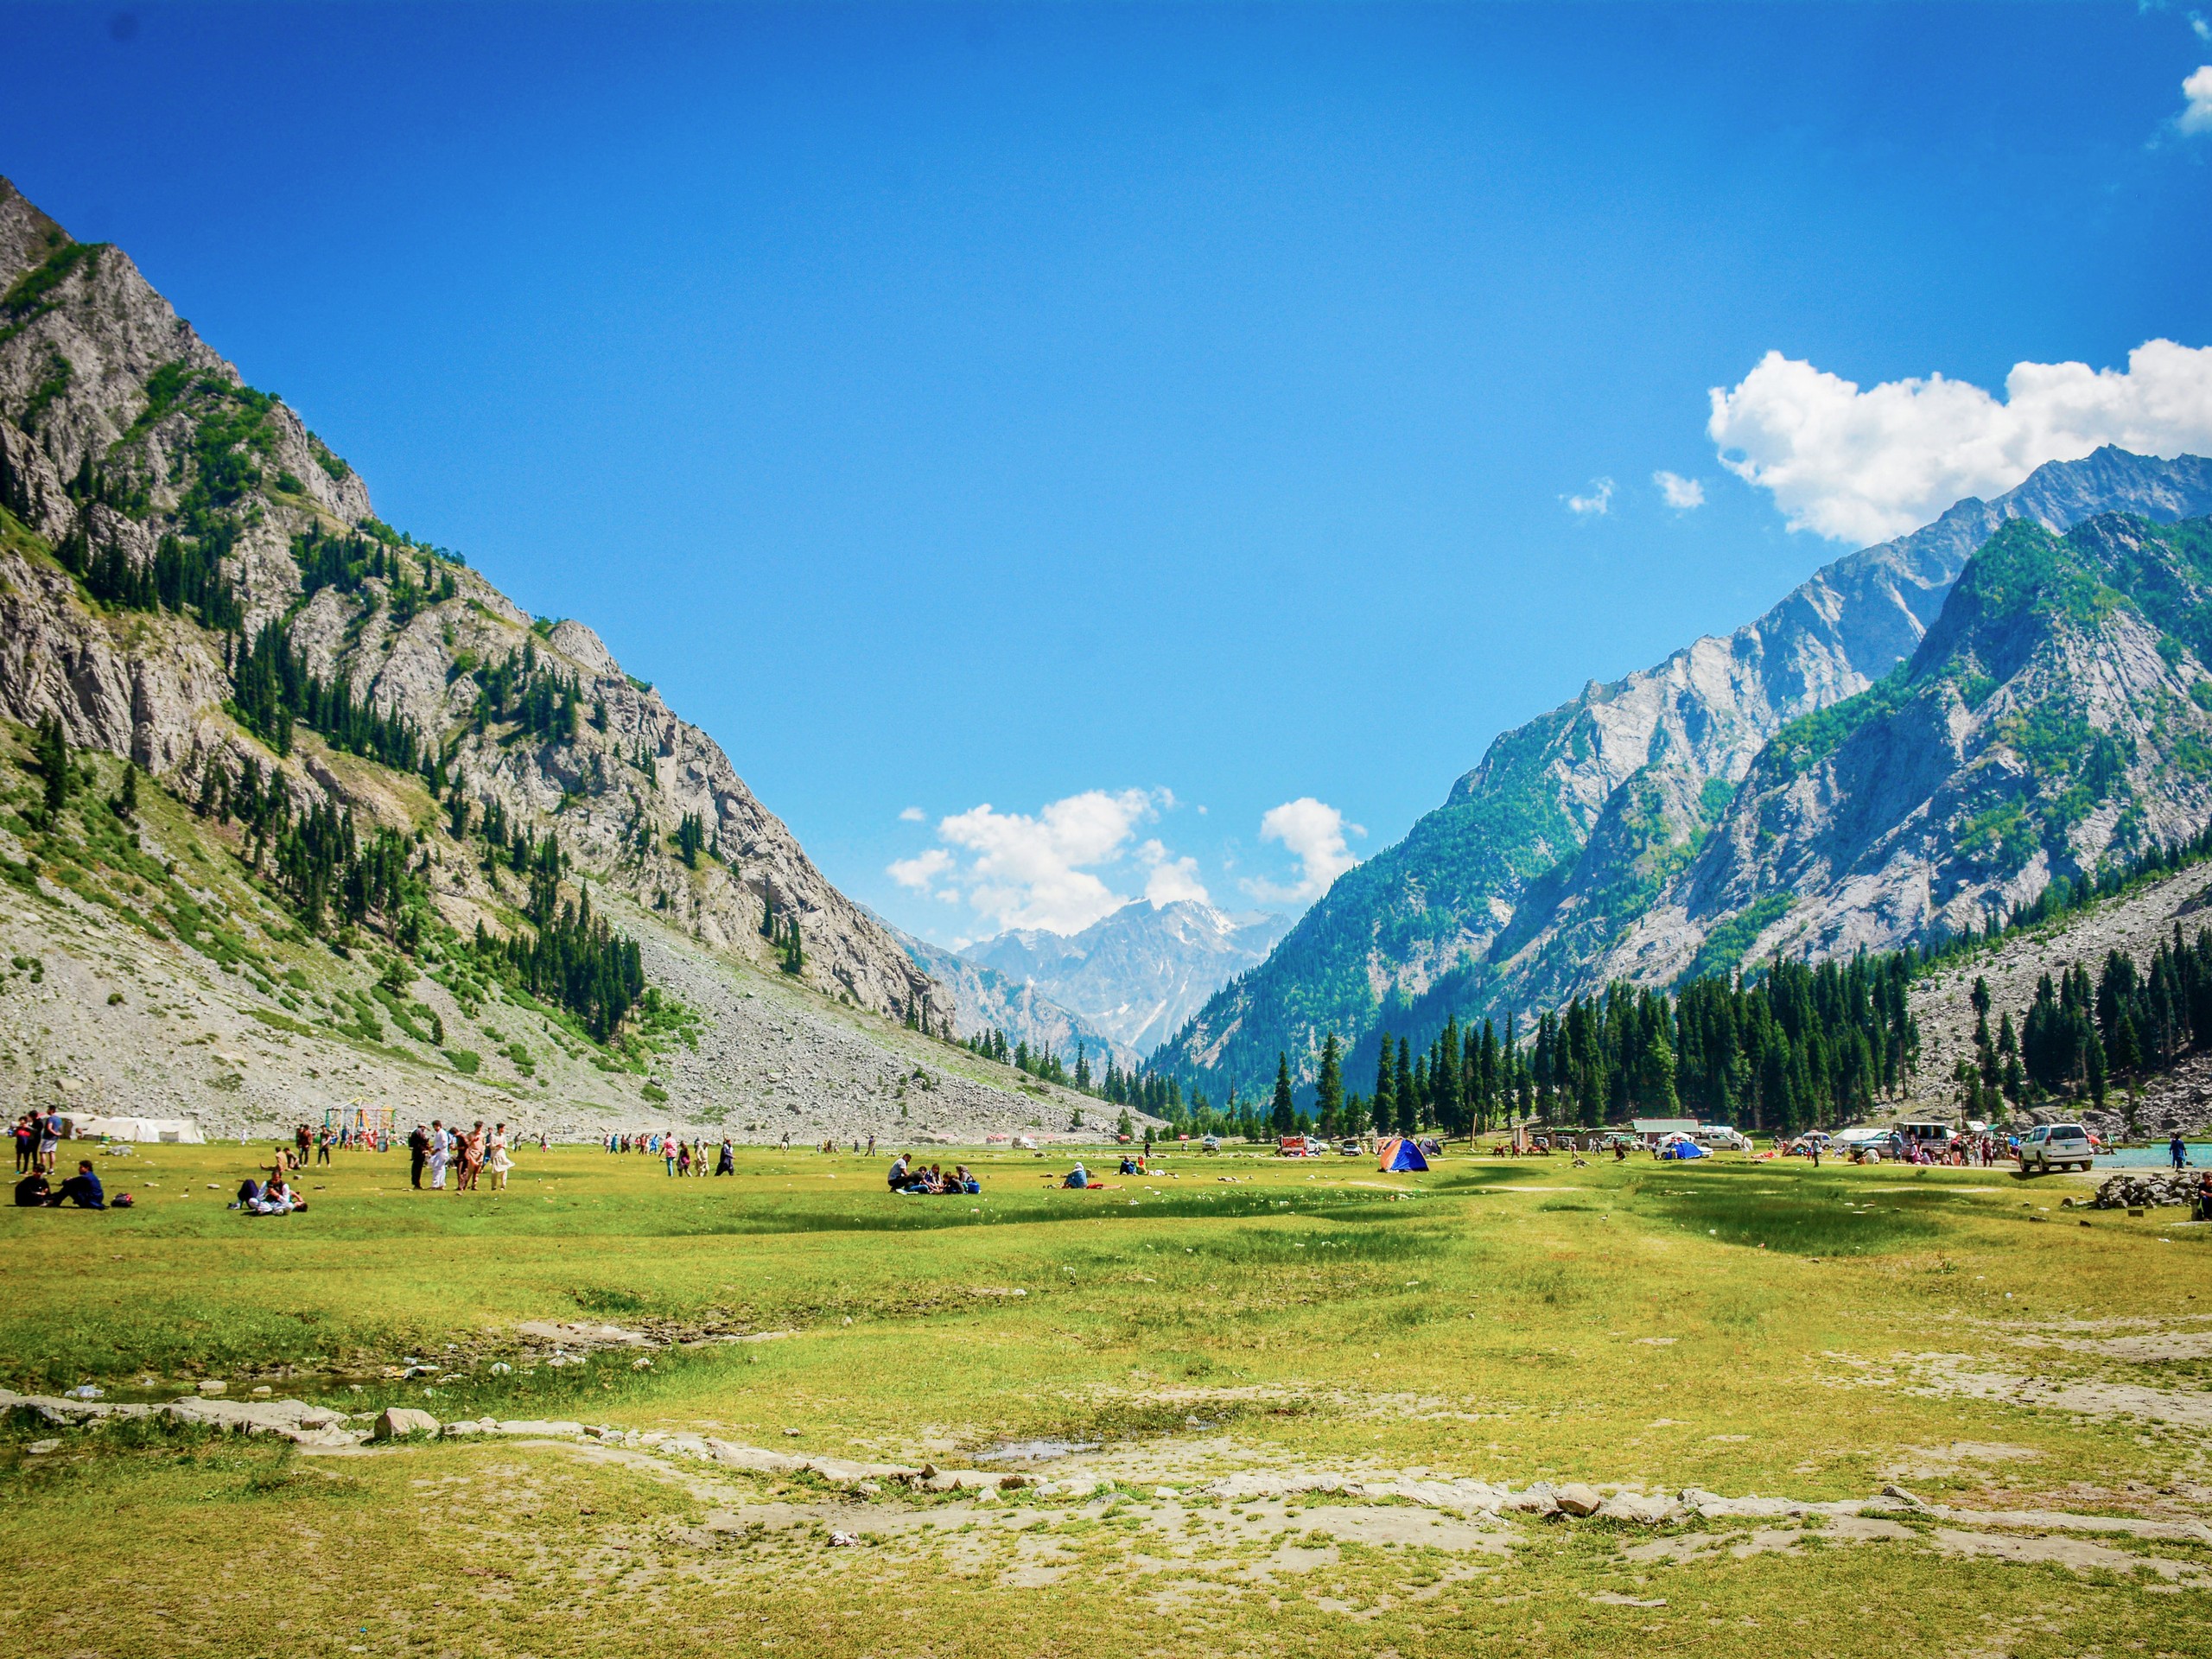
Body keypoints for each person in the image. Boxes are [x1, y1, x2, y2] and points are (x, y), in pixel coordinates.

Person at [487, 1122, 512, 1192]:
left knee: (504, 1170)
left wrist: (503, 1146)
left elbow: (506, 1145)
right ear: (500, 1128)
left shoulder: (503, 1136)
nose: (504, 1130)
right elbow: (491, 1146)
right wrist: (497, 1146)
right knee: (494, 1171)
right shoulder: (493, 1136)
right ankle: (494, 1186)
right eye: (503, 1128)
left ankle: (503, 1186)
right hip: (495, 1155)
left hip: (502, 1154)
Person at [428, 1121, 450, 1191]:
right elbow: (439, 1143)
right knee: (441, 1169)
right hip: (439, 1153)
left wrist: (436, 1150)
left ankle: (435, 1185)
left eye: (435, 1126)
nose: (434, 1128)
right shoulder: (439, 1133)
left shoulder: (442, 1133)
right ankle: (441, 1184)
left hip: (441, 1153)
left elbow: (445, 1144)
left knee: (436, 1168)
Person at [408, 1123, 429, 1190]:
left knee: (415, 1168)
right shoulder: (419, 1132)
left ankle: (415, 1182)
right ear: (423, 1127)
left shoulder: (415, 1132)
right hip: (419, 1152)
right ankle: (417, 1184)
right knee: (418, 1168)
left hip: (416, 1152)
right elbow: (424, 1140)